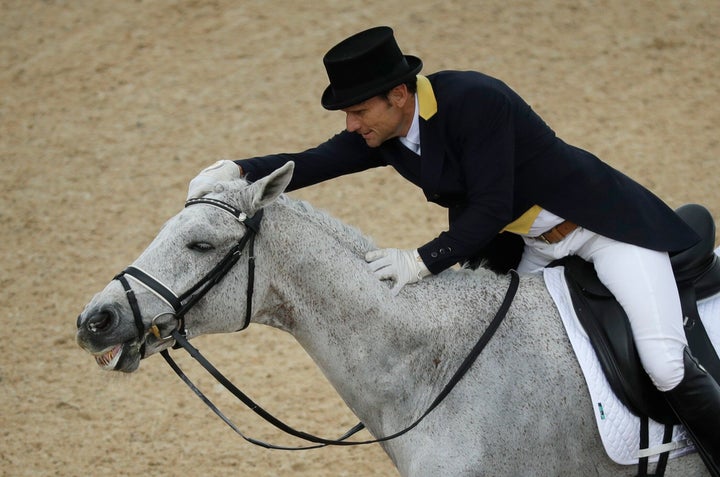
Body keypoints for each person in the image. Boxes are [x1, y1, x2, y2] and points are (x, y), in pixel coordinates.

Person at [187, 26, 719, 472]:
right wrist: (238, 171)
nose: (351, 125)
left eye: (357, 111)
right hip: (536, 247)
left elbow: (489, 208)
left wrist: (420, 261)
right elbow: (317, 159)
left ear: (398, 95)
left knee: (665, 364)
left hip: (608, 231)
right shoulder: (389, 132)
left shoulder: (476, 101)